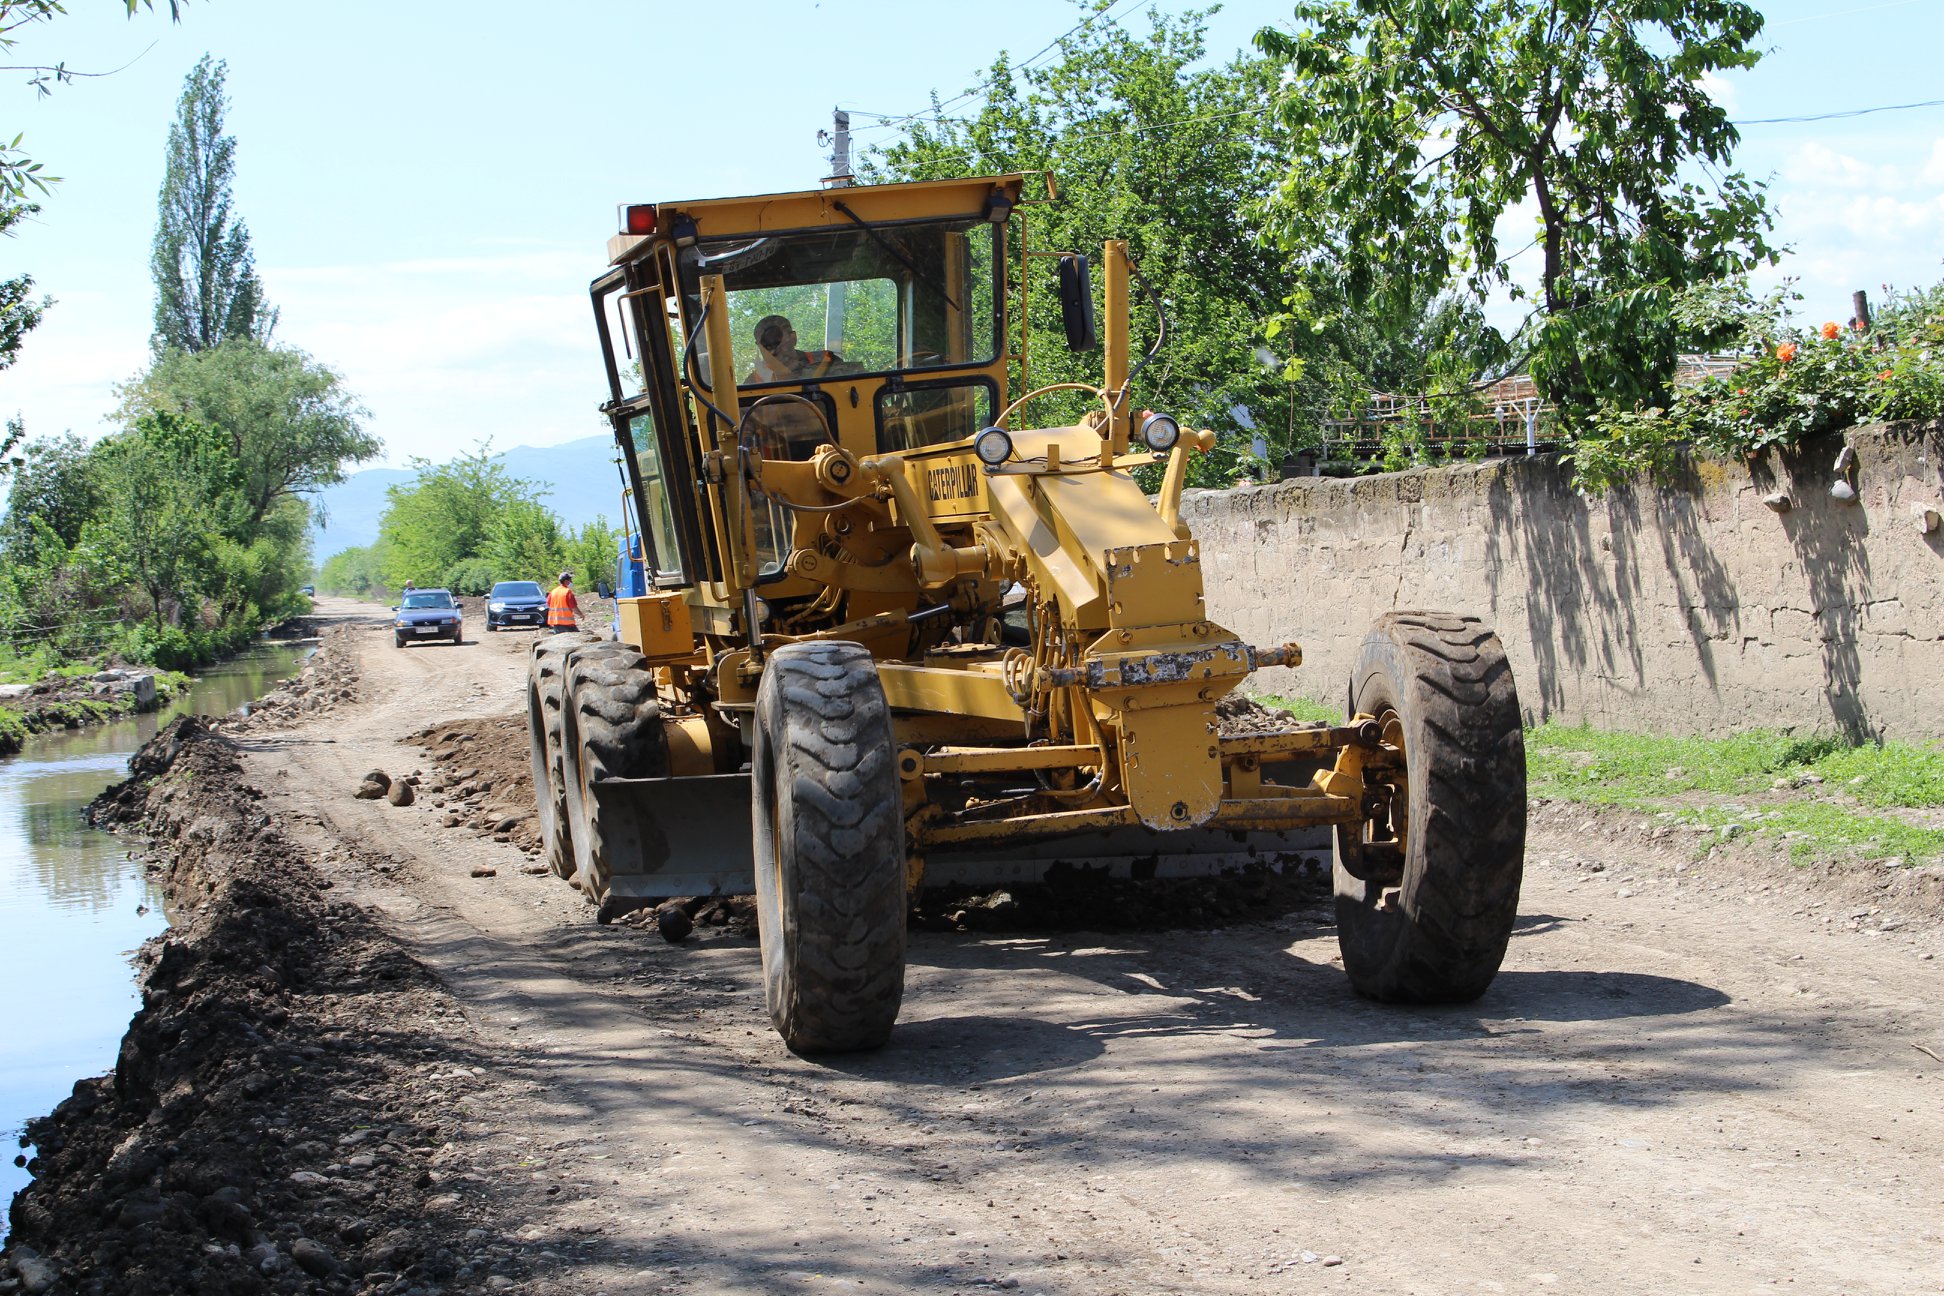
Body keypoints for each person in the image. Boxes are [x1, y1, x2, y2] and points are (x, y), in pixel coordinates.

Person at [745, 315, 842, 385]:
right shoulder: (754, 381)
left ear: (793, 338)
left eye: (777, 341)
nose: (773, 351)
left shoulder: (827, 362)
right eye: (766, 346)